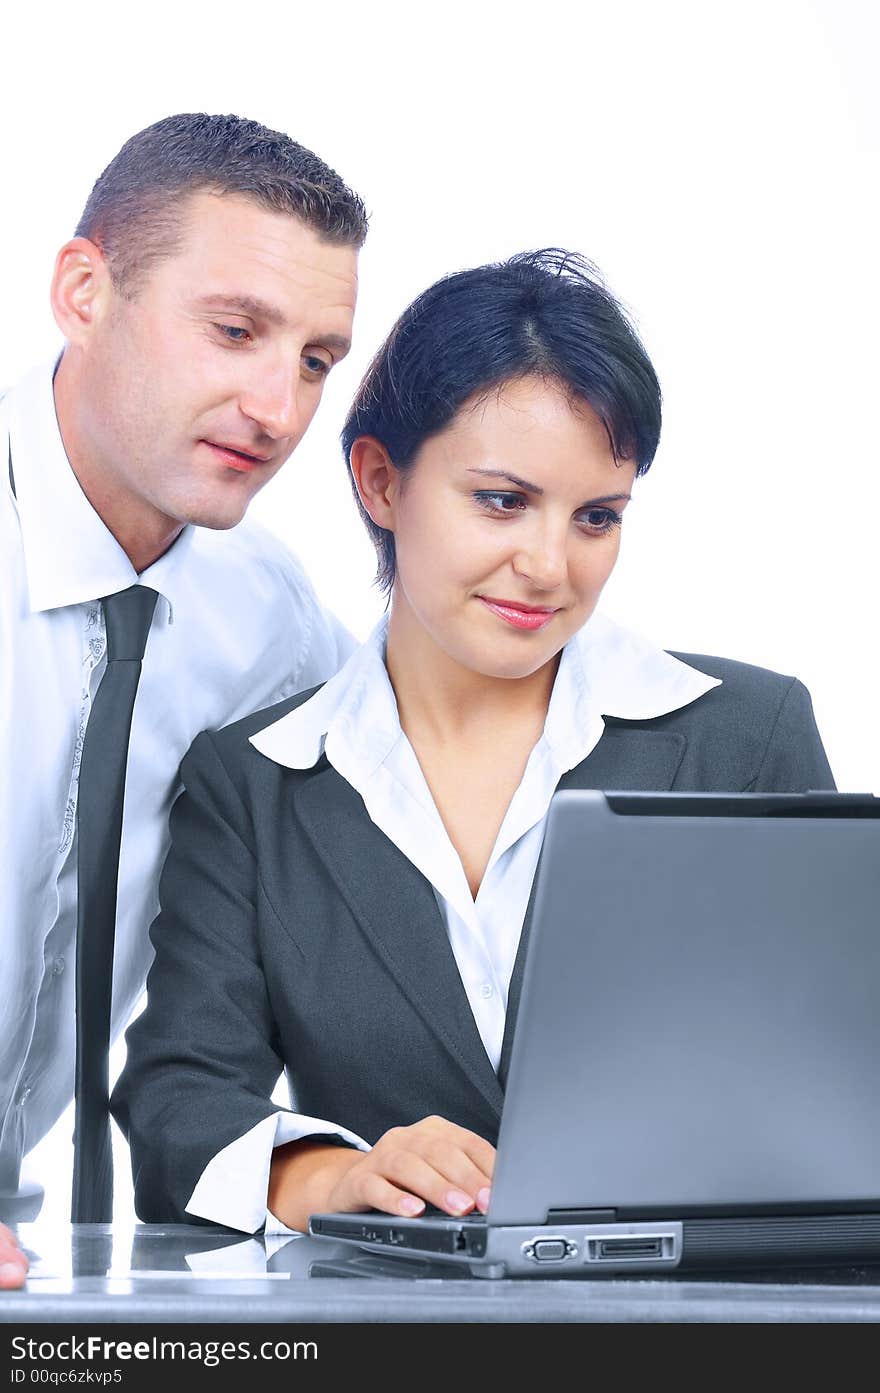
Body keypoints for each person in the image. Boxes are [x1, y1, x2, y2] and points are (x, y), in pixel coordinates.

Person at [113, 249, 835, 1236]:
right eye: (501, 500)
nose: (547, 565)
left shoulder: (745, 738)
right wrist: (336, 1172)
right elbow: (176, 1102)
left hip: (696, 1334)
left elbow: (836, 1083)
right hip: (391, 1347)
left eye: (596, 517)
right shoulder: (256, 783)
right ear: (379, 481)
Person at [0, 111, 367, 1275]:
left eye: (314, 360)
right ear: (83, 291)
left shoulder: (269, 616)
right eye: (234, 331)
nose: (279, 412)